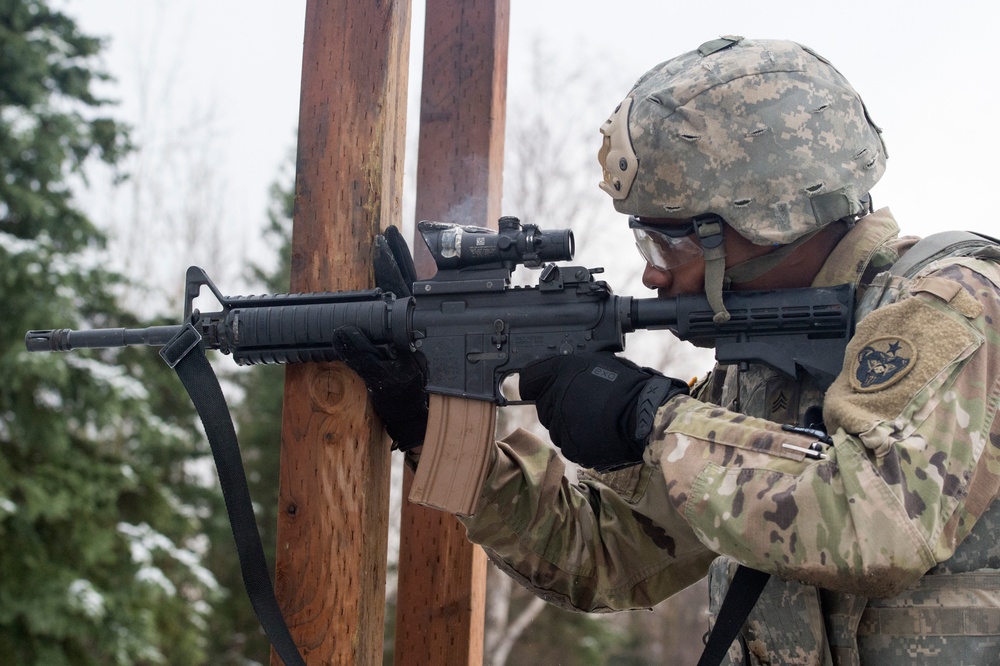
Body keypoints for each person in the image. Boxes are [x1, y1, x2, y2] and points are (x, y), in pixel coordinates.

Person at [335, 37, 1000, 664]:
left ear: (769, 216)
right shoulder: (759, 374)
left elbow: (878, 522)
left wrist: (651, 415)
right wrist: (434, 432)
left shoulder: (955, 307)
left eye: (670, 243)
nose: (654, 274)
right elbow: (604, 553)